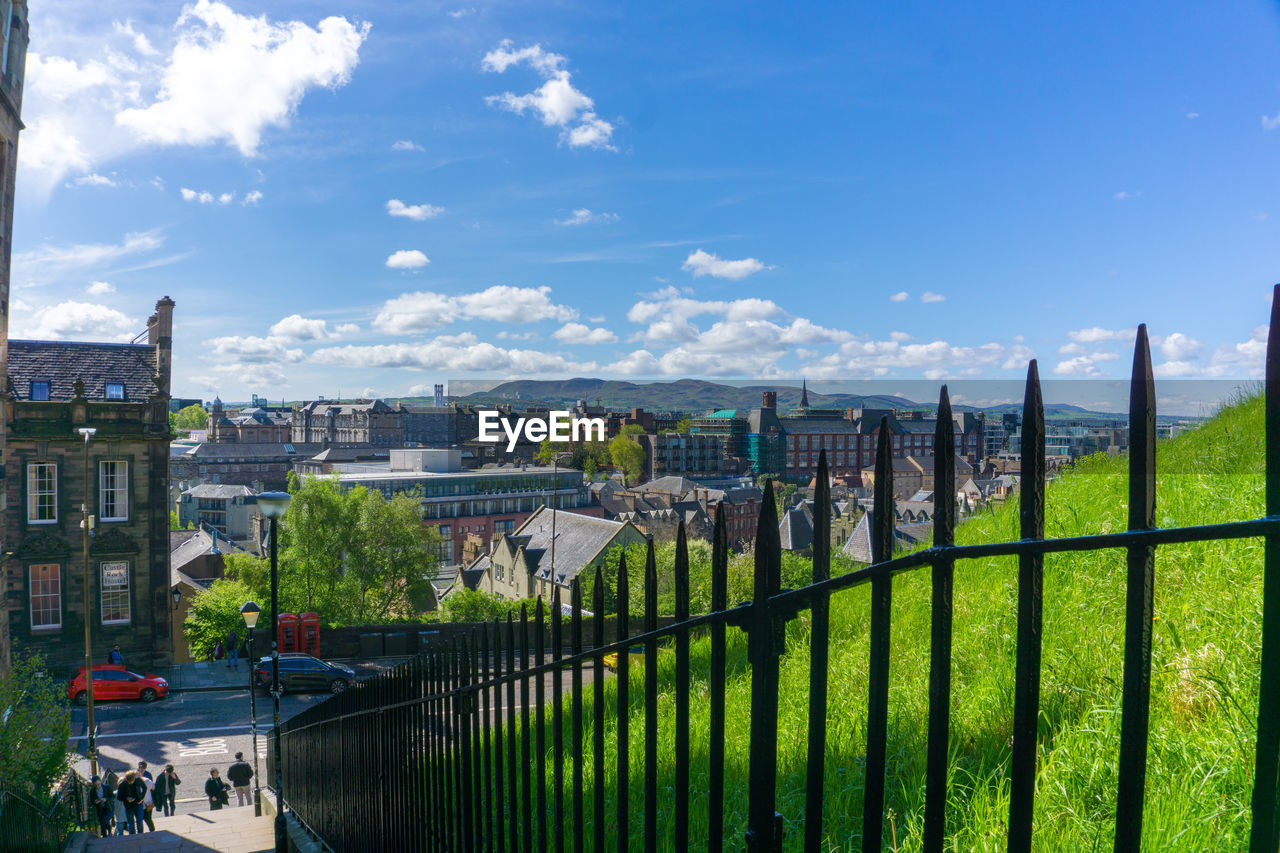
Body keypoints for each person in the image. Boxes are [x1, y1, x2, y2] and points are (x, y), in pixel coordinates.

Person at [115, 770, 146, 834]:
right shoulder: (122, 785)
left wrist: (141, 798)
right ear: (126, 779)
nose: (131, 783)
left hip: (138, 803)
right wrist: (126, 799)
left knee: (139, 821)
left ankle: (141, 835)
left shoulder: (138, 780)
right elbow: (119, 797)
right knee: (130, 823)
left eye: (132, 781)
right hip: (128, 806)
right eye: (129, 782)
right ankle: (132, 836)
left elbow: (145, 788)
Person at [138, 765, 156, 832]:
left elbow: (153, 788)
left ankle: (151, 829)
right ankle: (151, 829)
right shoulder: (147, 781)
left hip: (146, 803)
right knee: (146, 818)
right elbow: (154, 788)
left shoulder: (146, 781)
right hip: (147, 802)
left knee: (145, 818)